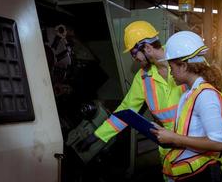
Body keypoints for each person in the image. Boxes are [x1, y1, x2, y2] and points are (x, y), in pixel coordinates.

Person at [78, 20, 185, 181]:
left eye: (134, 53)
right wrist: (97, 136)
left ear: (147, 48)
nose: (134, 58)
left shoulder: (186, 65)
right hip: (169, 151)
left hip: (195, 145)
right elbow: (125, 110)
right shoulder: (143, 77)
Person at [151, 31, 222, 182]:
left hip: (203, 174)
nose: (170, 72)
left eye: (171, 67)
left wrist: (174, 138)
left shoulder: (205, 94)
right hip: (194, 173)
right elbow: (194, 131)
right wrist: (167, 134)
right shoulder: (191, 93)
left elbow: (219, 143)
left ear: (183, 66)